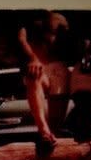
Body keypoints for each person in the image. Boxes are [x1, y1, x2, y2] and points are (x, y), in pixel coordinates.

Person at [18, 10, 73, 151]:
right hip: (38, 65)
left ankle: (51, 139)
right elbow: (20, 38)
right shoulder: (28, 16)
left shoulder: (60, 18)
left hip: (59, 67)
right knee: (33, 76)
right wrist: (32, 58)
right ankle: (44, 132)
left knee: (55, 128)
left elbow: (72, 41)